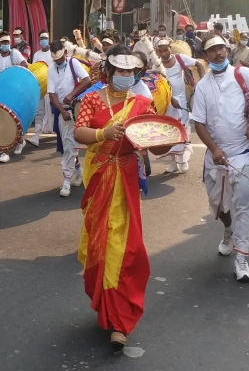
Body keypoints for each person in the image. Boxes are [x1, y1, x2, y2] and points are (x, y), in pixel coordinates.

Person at [72, 44, 155, 346]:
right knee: (100, 246)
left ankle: (121, 321)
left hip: (126, 181)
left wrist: (163, 140)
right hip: (98, 177)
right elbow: (78, 133)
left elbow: (157, 141)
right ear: (108, 72)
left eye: (130, 71)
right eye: (120, 70)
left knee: (126, 249)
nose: (125, 75)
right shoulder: (92, 98)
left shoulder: (144, 103)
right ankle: (105, 306)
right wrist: (102, 134)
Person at [193, 35, 249, 282]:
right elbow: (198, 123)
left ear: (227, 49)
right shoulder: (202, 86)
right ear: (206, 56)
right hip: (215, 157)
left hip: (242, 154)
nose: (218, 53)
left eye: (221, 47)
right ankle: (228, 230)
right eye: (212, 50)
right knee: (218, 206)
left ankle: (241, 258)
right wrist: (214, 149)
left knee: (244, 205)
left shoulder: (243, 74)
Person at [48, 41, 92, 197]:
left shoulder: (73, 63)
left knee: (75, 145)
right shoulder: (51, 69)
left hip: (77, 109)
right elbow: (51, 94)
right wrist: (62, 111)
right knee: (68, 146)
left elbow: (87, 80)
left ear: (65, 53)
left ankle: (72, 177)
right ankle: (74, 175)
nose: (58, 62)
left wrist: (72, 95)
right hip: (63, 112)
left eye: (60, 58)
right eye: (55, 60)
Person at [157, 39, 204, 173]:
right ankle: (173, 164)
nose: (164, 53)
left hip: (181, 102)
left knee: (182, 130)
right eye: (160, 51)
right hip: (166, 104)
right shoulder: (156, 64)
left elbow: (199, 64)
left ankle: (183, 161)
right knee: (168, 133)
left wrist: (202, 83)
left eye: (166, 49)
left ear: (170, 48)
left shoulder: (179, 58)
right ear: (157, 52)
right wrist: (170, 98)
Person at [0, 31, 29, 162]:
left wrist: (14, 76)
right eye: (3, 42)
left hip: (15, 92)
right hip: (2, 94)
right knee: (3, 120)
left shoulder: (15, 54)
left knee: (14, 119)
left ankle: (19, 141)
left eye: (7, 42)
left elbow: (25, 66)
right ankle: (5, 151)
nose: (5, 44)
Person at [27, 29, 53, 147]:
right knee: (40, 111)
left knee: (53, 111)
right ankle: (36, 137)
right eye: (41, 38)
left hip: (52, 87)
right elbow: (34, 70)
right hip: (41, 87)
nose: (43, 40)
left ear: (49, 39)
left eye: (45, 38)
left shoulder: (53, 53)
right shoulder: (37, 54)